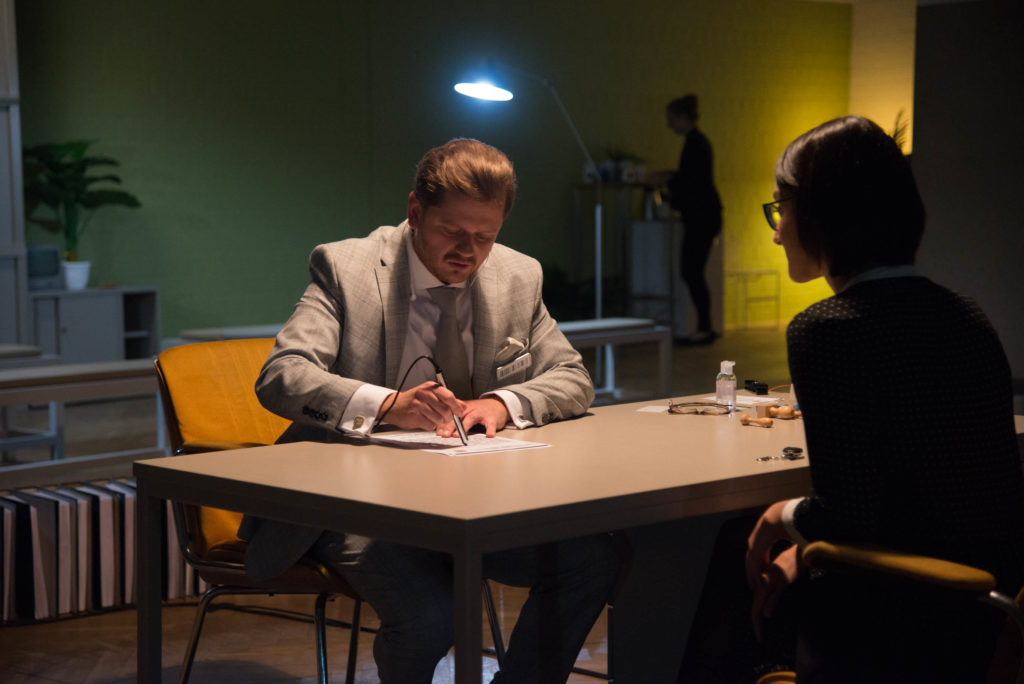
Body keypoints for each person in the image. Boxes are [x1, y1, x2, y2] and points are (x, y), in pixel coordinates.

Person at [237, 138, 619, 684]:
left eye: (485, 238)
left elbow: (573, 377)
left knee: (590, 561)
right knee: (433, 613)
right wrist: (388, 404)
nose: (469, 252)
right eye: (453, 233)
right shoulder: (346, 268)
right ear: (415, 213)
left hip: (467, 503)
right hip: (350, 501)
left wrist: (501, 403)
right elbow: (283, 375)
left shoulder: (516, 276)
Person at [680, 116, 1024, 683]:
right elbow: (928, 493)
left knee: (734, 548)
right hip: (983, 611)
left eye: (779, 210)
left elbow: (848, 511)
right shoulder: (966, 314)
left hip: (902, 624)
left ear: (818, 214)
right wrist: (805, 546)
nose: (775, 231)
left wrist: (780, 517)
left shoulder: (828, 327)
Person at [657, 94, 723, 345]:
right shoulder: (697, 142)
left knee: (691, 271)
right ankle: (705, 327)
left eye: (671, 118)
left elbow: (691, 182)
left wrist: (666, 183)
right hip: (704, 216)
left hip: (702, 217)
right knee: (693, 271)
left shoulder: (696, 144)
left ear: (683, 117)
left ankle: (705, 328)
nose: (669, 124)